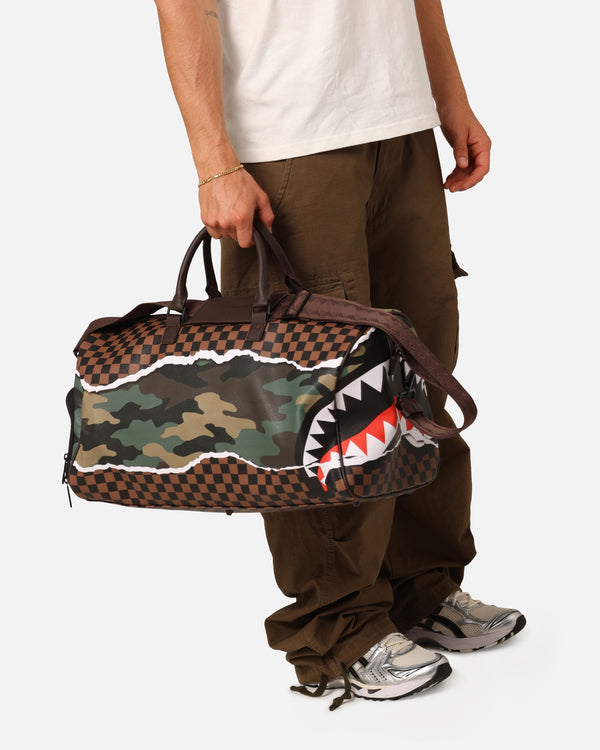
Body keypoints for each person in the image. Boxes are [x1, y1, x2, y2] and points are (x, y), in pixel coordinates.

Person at [153, 0, 526, 707]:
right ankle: (337, 632)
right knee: (319, 402)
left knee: (420, 372)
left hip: (400, 122)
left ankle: (421, 590)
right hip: (289, 136)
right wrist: (213, 162)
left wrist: (450, 100)